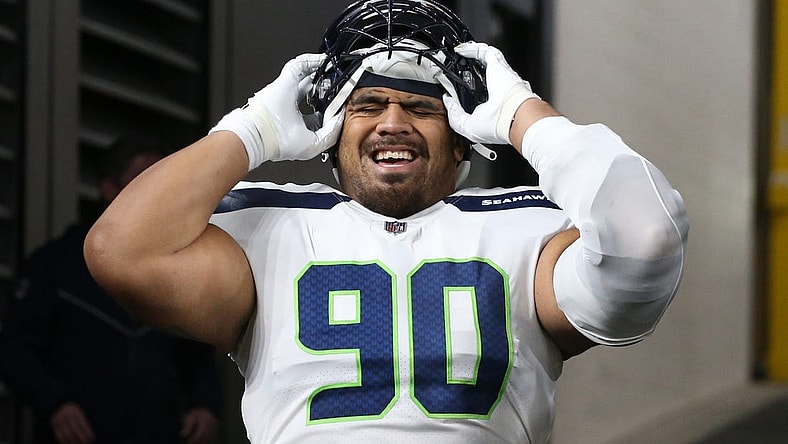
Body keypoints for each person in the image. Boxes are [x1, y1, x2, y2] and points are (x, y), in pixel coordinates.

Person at [83, 1, 689, 443]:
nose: (392, 121)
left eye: (422, 108)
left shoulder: (525, 234)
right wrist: (252, 128)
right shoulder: (270, 232)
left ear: (463, 143)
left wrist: (523, 117)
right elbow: (120, 250)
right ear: (328, 137)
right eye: (367, 105)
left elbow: (645, 236)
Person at [0, 136, 221, 444]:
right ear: (109, 189)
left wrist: (205, 406)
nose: (158, 196)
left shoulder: (177, 271)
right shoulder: (57, 265)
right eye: (143, 183)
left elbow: (197, 355)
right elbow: (14, 348)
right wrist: (54, 404)